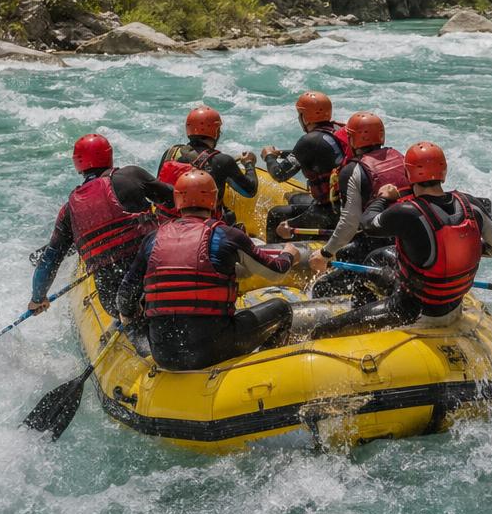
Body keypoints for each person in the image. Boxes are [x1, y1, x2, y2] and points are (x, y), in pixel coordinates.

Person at [309, 141, 492, 339]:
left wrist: (383, 198)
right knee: (375, 260)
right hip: (454, 304)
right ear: (444, 172)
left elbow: (367, 224)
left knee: (322, 331)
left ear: (408, 174)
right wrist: (460, 248)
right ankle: (366, 314)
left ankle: (365, 337)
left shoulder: (407, 212)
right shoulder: (470, 205)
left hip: (411, 311)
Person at [117, 170, 307, 371]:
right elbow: (276, 272)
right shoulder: (226, 235)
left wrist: (133, 319)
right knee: (281, 309)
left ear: (177, 200)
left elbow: (124, 298)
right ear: (214, 199)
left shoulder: (153, 239)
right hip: (211, 349)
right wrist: (289, 255)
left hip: (163, 353)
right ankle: (264, 371)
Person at [28, 134, 174, 317]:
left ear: (78, 165)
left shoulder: (69, 210)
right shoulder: (131, 176)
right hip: (153, 274)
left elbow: (50, 259)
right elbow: (173, 198)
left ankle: (129, 324)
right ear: (109, 155)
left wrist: (38, 298)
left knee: (123, 304)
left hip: (112, 296)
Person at [306, 112, 411, 298]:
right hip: (407, 242)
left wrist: (325, 253)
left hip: (378, 247)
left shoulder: (353, 171)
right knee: (348, 253)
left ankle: (362, 298)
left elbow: (349, 222)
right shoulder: (399, 157)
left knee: (321, 289)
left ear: (352, 140)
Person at [263, 91, 353, 240]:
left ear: (305, 117)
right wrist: (283, 153)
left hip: (330, 214)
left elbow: (279, 174)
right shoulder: (338, 130)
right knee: (295, 198)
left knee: (276, 214)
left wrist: (269, 157)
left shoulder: (309, 140)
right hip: (347, 208)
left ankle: (275, 259)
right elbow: (322, 152)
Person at [154, 105, 258, 221]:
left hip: (165, 224)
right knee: (230, 217)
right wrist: (249, 164)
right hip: (203, 228)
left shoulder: (171, 153)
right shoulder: (222, 161)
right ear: (216, 131)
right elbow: (250, 191)